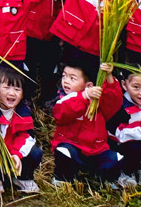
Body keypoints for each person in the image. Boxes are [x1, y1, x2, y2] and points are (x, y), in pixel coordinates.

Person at [51, 59, 121, 188]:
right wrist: (84, 96)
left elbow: (113, 101)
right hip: (73, 147)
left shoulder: (98, 101)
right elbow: (61, 113)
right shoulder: (65, 99)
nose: (66, 81)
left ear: (88, 85)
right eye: (64, 76)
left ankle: (103, 180)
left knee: (116, 158)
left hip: (96, 150)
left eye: (72, 78)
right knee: (64, 152)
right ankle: (62, 178)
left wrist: (109, 77)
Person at [0, 66, 42, 194]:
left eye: (17, 89)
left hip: (13, 153)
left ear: (22, 94)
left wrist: (16, 154)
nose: (12, 93)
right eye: (6, 87)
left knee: (35, 153)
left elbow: (26, 137)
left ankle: (22, 178)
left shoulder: (23, 112)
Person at [22, 0, 61, 104]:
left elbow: (60, 7)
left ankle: (48, 100)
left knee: (49, 70)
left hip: (50, 35)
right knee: (28, 69)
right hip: (29, 35)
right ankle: (27, 100)